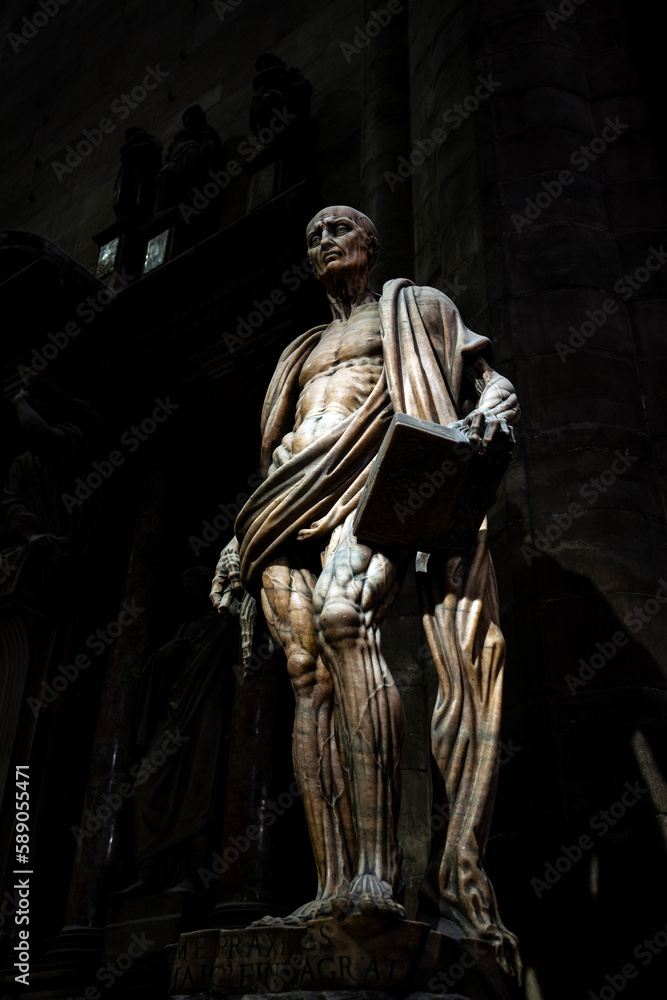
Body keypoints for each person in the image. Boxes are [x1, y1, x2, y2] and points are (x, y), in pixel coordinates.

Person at [211, 206, 520, 976]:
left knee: (346, 620)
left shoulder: (413, 307)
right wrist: (232, 537)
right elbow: (270, 449)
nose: (323, 242)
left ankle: (377, 873)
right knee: (304, 674)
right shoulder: (301, 350)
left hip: (372, 482)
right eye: (311, 234)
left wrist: (490, 412)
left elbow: (489, 381)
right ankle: (329, 884)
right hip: (281, 501)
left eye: (337, 230)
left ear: (370, 242)